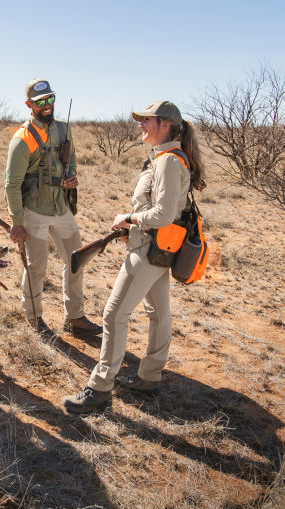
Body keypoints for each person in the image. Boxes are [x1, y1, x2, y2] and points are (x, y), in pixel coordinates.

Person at [63, 100, 206, 414]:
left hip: (150, 250)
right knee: (158, 312)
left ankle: (100, 389)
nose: (140, 125)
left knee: (114, 315)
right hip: (157, 247)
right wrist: (133, 223)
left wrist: (129, 219)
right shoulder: (163, 158)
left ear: (165, 125)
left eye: (147, 121)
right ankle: (149, 378)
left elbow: (165, 213)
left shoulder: (168, 161)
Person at [4, 77, 101, 338]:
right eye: (40, 102)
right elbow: (11, 184)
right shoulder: (22, 138)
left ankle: (75, 317)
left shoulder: (63, 129)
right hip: (34, 211)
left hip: (61, 208)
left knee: (76, 260)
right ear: (29, 105)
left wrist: (71, 176)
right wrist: (17, 222)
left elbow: (72, 162)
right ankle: (34, 318)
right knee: (36, 267)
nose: (47, 105)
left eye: (50, 99)